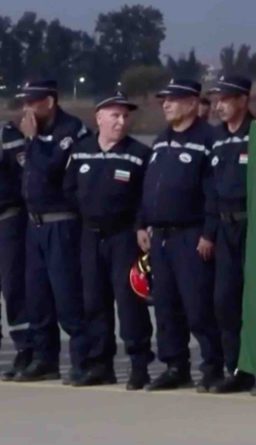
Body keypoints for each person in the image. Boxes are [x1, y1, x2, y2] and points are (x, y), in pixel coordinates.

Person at [63, 92, 154, 389]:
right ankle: (100, 364)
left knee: (129, 301)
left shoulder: (139, 154)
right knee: (94, 302)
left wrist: (140, 225)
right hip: (90, 236)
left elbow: (146, 197)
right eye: (114, 115)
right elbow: (70, 189)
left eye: (126, 116)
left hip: (123, 237)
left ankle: (139, 363)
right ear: (99, 117)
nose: (121, 121)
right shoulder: (81, 151)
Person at [138, 79, 224, 393]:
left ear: (191, 103)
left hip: (191, 235)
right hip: (159, 236)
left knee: (198, 305)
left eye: (173, 99)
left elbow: (214, 191)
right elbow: (148, 186)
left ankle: (213, 366)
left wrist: (209, 232)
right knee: (165, 306)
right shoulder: (161, 140)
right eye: (164, 99)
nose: (166, 104)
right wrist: (141, 224)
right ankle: (175, 366)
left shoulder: (208, 139)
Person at [205, 74, 256, 395]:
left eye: (225, 99)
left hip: (254, 226)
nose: (219, 105)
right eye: (217, 99)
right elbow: (210, 190)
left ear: (243, 100)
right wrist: (209, 233)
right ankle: (237, 368)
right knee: (225, 301)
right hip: (224, 228)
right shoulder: (217, 138)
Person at [14, 80, 92, 384]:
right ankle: (44, 359)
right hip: (34, 224)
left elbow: (51, 169)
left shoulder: (70, 131)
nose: (27, 109)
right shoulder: (33, 133)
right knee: (37, 297)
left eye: (32, 102)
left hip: (62, 223)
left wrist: (33, 141)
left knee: (67, 296)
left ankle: (83, 360)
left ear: (49, 101)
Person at [0, 120, 32, 381]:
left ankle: (25, 349)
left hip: (7, 220)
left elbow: (26, 175)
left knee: (14, 288)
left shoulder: (7, 135)